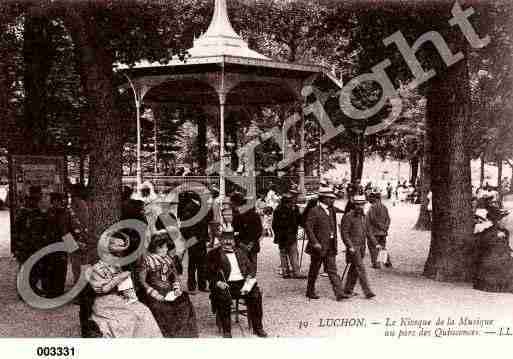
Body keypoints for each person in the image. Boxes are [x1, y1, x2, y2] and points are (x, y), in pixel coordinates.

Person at [88, 233, 163, 337]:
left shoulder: (116, 266)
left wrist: (129, 292)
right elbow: (103, 289)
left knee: (144, 310)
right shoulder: (96, 268)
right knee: (127, 318)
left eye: (118, 255)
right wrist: (119, 278)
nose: (117, 257)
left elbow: (124, 286)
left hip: (120, 298)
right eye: (114, 254)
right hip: (105, 302)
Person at [207, 231, 268, 338]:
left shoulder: (241, 251)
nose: (227, 242)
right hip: (225, 283)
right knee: (223, 297)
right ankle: (227, 330)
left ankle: (258, 327)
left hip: (242, 283)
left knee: (256, 294)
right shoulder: (214, 254)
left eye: (230, 239)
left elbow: (251, 268)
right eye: (224, 239)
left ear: (234, 241)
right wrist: (217, 282)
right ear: (220, 241)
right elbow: (207, 273)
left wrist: (249, 277)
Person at [138, 231, 198, 337]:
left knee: (185, 302)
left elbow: (174, 276)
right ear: (154, 248)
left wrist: (176, 288)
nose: (165, 250)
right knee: (161, 308)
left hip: (169, 290)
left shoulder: (168, 259)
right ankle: (166, 334)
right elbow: (142, 281)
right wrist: (154, 293)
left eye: (165, 247)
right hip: (153, 291)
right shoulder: (147, 260)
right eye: (161, 248)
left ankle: (183, 334)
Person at [304, 187, 349, 301]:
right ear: (323, 198)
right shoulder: (314, 210)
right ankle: (310, 291)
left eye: (333, 198)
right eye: (330, 198)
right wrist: (314, 242)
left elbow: (343, 211)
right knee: (314, 269)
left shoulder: (332, 209)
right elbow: (308, 228)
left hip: (330, 244)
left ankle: (339, 293)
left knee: (332, 269)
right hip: (318, 246)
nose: (332, 200)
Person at [340, 195, 380, 299]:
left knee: (354, 268)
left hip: (362, 247)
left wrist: (376, 244)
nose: (360, 206)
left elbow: (369, 232)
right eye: (358, 204)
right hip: (353, 247)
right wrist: (349, 246)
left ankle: (348, 290)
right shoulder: (348, 216)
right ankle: (368, 292)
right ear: (354, 205)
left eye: (362, 204)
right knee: (361, 268)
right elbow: (344, 233)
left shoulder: (364, 217)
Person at [13, 186, 49, 297]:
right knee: (25, 268)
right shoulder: (23, 212)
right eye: (34, 198)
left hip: (35, 245)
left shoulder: (38, 212)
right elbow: (16, 230)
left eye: (37, 198)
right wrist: (16, 246)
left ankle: (31, 289)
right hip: (25, 245)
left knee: (35, 268)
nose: (36, 200)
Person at [473, 206, 513, 292]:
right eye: (502, 219)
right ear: (496, 221)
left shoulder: (505, 232)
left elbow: (506, 246)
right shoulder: (487, 232)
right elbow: (482, 246)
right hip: (491, 261)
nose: (504, 221)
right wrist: (495, 237)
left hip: (502, 258)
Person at [178, 191, 209, 294]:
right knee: (194, 264)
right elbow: (184, 227)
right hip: (195, 240)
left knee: (199, 263)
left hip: (199, 239)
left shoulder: (196, 207)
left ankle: (199, 285)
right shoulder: (190, 208)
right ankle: (195, 285)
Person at [272, 189, 306, 279]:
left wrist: (304, 224)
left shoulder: (292, 209)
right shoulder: (281, 210)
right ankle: (292, 272)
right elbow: (275, 225)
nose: (292, 203)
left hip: (288, 235)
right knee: (290, 253)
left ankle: (289, 272)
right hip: (285, 235)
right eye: (290, 202)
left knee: (288, 253)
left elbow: (299, 220)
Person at [43, 192, 71, 298]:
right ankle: (50, 291)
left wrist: (71, 247)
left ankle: (58, 291)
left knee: (61, 267)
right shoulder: (48, 213)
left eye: (56, 201)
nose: (54, 203)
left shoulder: (65, 212)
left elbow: (68, 229)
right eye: (53, 201)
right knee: (50, 267)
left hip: (61, 244)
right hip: (50, 244)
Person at [231, 192, 262, 271]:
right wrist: (251, 243)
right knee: (252, 268)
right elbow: (259, 231)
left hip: (243, 245)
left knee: (243, 269)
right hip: (251, 244)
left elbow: (234, 231)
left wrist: (240, 243)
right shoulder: (255, 215)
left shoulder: (237, 215)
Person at [366, 192, 391, 269]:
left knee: (373, 247)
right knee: (382, 247)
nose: (369, 199)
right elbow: (388, 219)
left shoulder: (372, 207)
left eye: (370, 198)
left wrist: (380, 226)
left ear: (375, 198)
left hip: (375, 232)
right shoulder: (384, 207)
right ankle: (387, 262)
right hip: (383, 232)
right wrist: (385, 227)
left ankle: (376, 264)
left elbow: (372, 219)